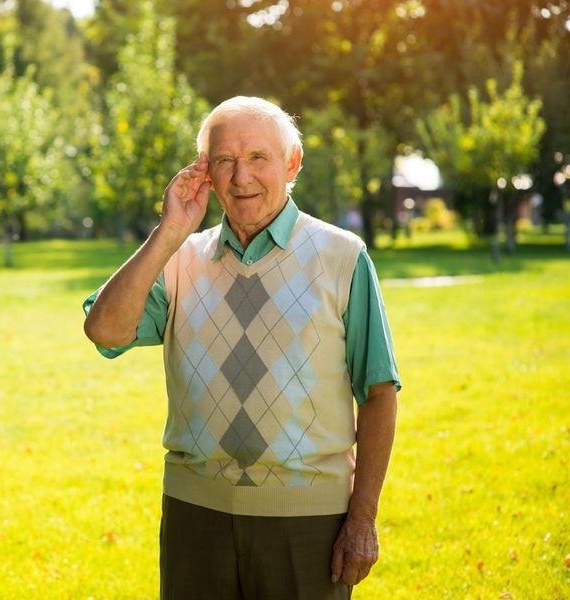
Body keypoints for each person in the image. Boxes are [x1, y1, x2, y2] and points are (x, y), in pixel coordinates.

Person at [83, 96, 400, 599]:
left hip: (309, 523)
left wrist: (362, 519)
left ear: (292, 163)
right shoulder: (178, 258)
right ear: (206, 172)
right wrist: (168, 234)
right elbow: (105, 330)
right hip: (195, 517)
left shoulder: (343, 256)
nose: (241, 176)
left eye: (258, 158)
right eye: (225, 160)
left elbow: (379, 392)